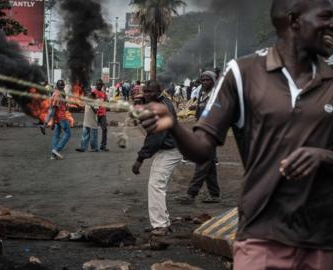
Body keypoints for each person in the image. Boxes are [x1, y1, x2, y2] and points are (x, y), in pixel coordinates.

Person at [137, 0, 333, 268]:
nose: (332, 23)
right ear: (294, 20)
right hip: (261, 238)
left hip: (324, 242)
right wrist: (173, 125)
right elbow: (202, 148)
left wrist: (324, 157)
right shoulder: (242, 74)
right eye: (326, 16)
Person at [132, 80, 180, 236]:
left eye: (150, 92)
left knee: (156, 185)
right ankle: (163, 222)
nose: (146, 94)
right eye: (144, 91)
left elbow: (155, 138)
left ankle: (160, 225)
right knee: (158, 185)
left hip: (170, 150)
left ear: (159, 91)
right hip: (169, 148)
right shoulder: (159, 103)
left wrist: (140, 159)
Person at [176, 71, 221, 204]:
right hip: (202, 130)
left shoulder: (217, 95)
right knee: (210, 164)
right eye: (203, 80)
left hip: (211, 132)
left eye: (208, 80)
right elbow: (200, 113)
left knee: (202, 163)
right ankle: (214, 195)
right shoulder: (202, 93)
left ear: (213, 81)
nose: (205, 82)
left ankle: (191, 194)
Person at [49, 80, 71, 160]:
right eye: (60, 85)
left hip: (59, 117)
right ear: (57, 86)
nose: (62, 87)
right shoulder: (57, 94)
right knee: (68, 133)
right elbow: (53, 109)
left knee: (56, 135)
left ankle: (53, 155)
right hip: (61, 117)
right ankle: (57, 149)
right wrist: (51, 121)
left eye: (63, 85)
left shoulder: (61, 93)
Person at [92, 79, 109, 151]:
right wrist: (93, 110)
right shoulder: (93, 92)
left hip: (102, 114)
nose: (99, 86)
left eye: (100, 85)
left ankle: (103, 145)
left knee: (104, 129)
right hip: (95, 114)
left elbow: (106, 101)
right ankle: (94, 146)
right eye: (98, 84)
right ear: (96, 85)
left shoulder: (103, 93)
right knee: (93, 130)